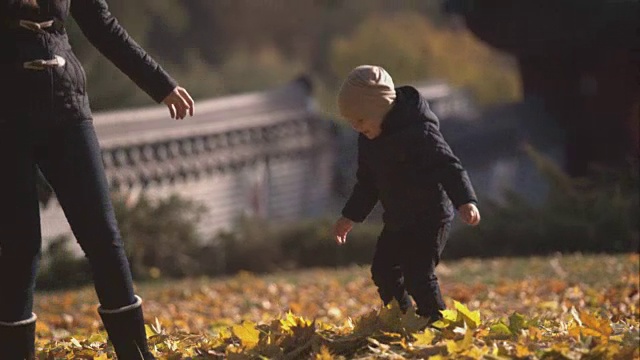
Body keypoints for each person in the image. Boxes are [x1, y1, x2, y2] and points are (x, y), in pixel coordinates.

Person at [0, 0, 194, 359]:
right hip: (5, 120)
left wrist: (160, 82)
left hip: (66, 105)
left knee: (103, 237)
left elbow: (103, 26)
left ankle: (135, 354)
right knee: (20, 247)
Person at [331, 65, 480, 322]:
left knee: (417, 275)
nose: (356, 127)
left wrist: (465, 200)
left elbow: (448, 166)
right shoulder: (368, 140)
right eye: (351, 122)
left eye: (361, 120)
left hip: (430, 217)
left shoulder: (419, 132)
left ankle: (435, 323)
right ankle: (402, 318)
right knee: (383, 271)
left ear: (381, 108)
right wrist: (349, 217)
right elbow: (367, 184)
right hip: (398, 219)